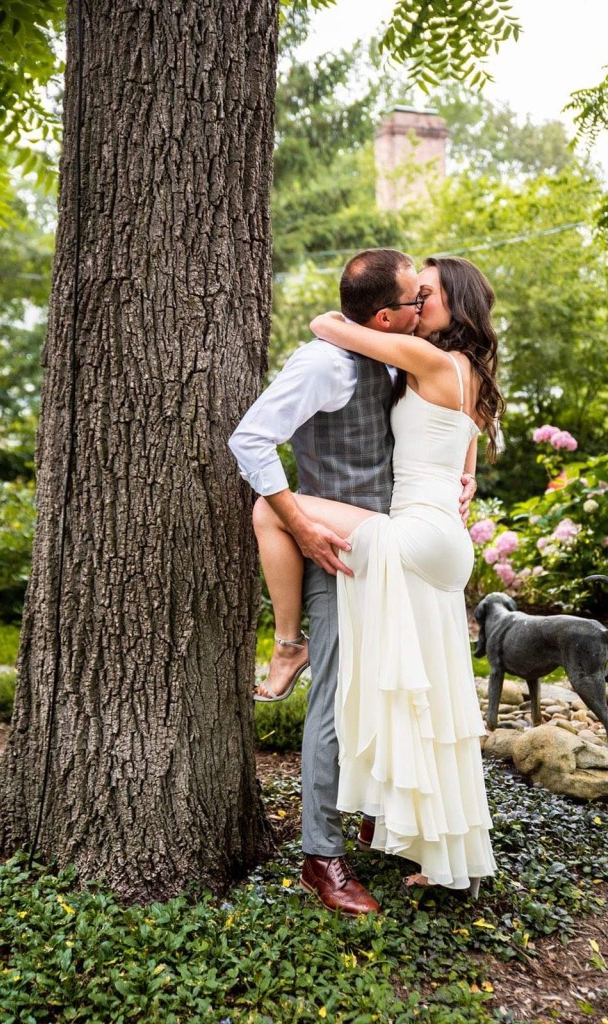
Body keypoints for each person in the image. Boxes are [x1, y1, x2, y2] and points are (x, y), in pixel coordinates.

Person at [229, 249, 478, 916]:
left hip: (398, 554)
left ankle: (382, 816)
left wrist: (467, 468)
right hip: (340, 553)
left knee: (397, 691)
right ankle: (322, 856)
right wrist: (300, 527)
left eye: (428, 298)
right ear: (388, 314)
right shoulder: (325, 362)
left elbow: (451, 417)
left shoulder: (404, 357)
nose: (424, 308)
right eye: (415, 299)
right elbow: (250, 440)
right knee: (337, 703)